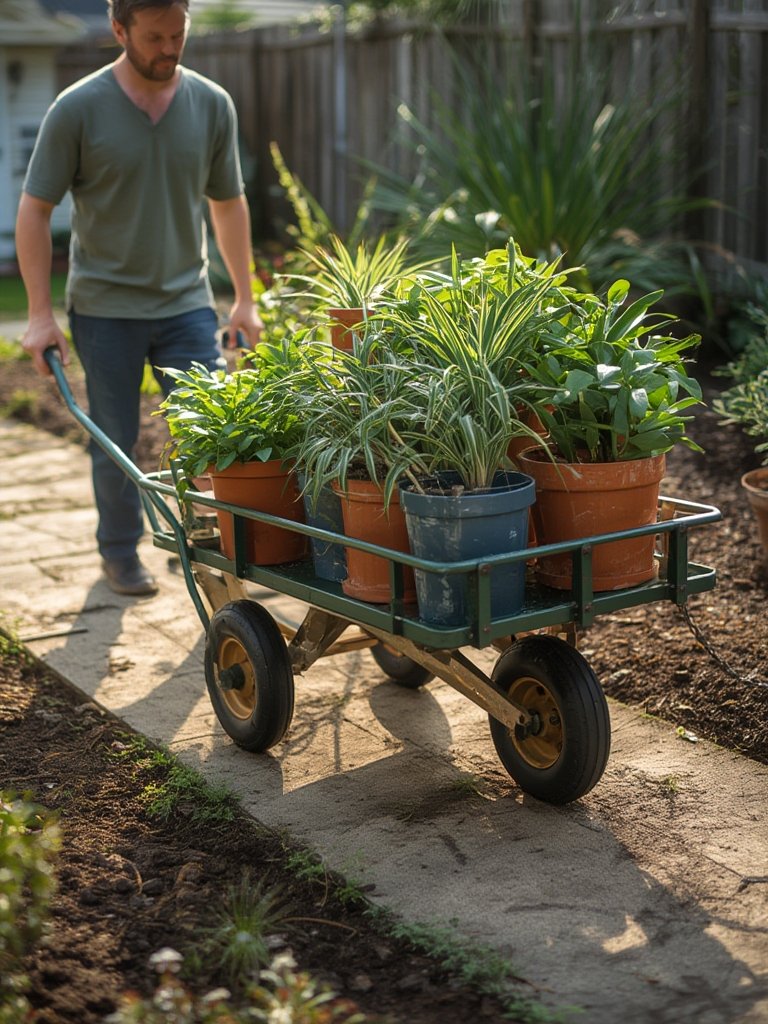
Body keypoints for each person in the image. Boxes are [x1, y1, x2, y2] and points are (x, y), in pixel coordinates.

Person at [15, 0, 262, 596]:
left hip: (186, 303)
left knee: (211, 435)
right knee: (116, 439)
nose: (170, 48)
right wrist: (40, 315)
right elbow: (34, 209)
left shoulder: (210, 103)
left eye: (178, 34)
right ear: (119, 30)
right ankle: (120, 553)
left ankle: (203, 546)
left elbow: (227, 203)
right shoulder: (77, 108)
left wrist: (245, 300)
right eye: (154, 37)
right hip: (105, 308)